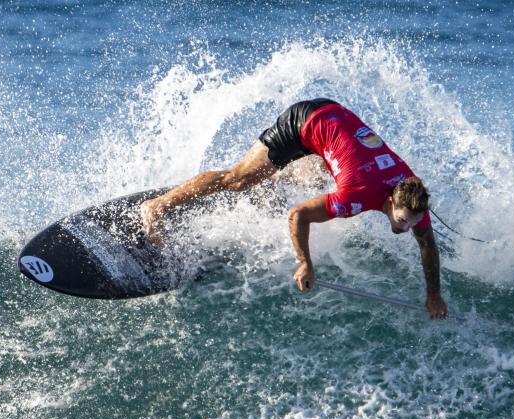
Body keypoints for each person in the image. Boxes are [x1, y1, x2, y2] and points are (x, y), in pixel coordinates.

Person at [140, 98, 449, 319]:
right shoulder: (357, 196)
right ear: (391, 201)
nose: (404, 228)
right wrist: (306, 263)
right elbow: (298, 215)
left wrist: (433, 294)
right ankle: (157, 207)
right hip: (303, 122)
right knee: (239, 179)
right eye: (402, 221)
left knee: (318, 171)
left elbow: (427, 244)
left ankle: (287, 171)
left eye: (411, 223)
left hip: (336, 119)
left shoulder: (413, 194)